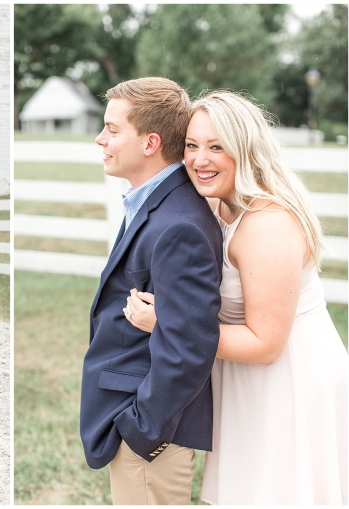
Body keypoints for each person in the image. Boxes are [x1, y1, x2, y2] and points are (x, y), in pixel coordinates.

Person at [124, 91, 348, 504]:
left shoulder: (267, 225)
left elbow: (266, 344)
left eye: (216, 146)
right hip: (247, 382)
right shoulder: (220, 205)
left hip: (288, 383)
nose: (199, 159)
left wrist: (169, 325)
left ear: (245, 149)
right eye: (192, 145)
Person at [80, 77, 224, 505]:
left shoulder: (178, 223)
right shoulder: (152, 201)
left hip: (151, 437)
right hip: (135, 417)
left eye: (113, 129)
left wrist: (143, 431)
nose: (100, 138)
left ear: (150, 142)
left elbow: (189, 346)